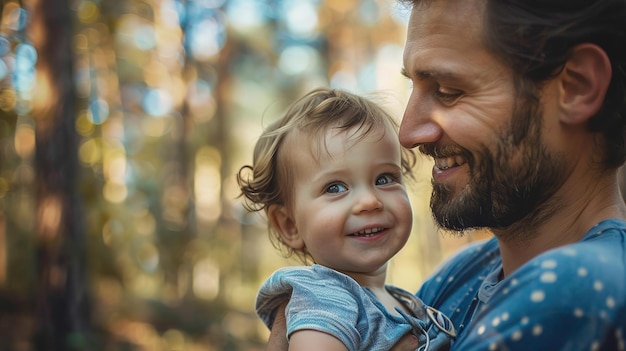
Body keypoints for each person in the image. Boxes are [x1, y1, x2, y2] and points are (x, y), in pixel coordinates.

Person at [266, 0, 626, 350]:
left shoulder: (576, 290)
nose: (407, 134)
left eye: (448, 91)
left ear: (578, 86)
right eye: (413, 87)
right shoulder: (460, 277)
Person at [237, 87, 457, 350]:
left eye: (384, 179)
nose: (369, 201)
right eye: (335, 187)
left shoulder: (403, 302)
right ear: (290, 225)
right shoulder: (324, 300)